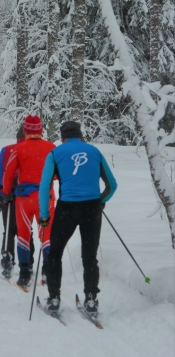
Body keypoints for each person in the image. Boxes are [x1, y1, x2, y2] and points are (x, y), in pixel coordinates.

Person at [38, 121, 117, 316]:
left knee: (55, 253)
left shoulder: (55, 153)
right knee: (89, 256)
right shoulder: (95, 152)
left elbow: (44, 186)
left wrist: (44, 216)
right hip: (92, 207)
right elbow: (112, 185)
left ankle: (54, 298)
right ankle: (91, 300)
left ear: (63, 137)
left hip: (68, 208)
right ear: (81, 136)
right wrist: (101, 200)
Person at [2, 115, 55, 289]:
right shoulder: (51, 148)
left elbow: (8, 174)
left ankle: (24, 274)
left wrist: (6, 193)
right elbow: (57, 173)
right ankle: (48, 272)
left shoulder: (18, 149)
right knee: (46, 236)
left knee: (24, 234)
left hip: (24, 199)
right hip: (45, 197)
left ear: (25, 130)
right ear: (41, 130)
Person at [0, 124, 35, 280]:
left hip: (9, 195)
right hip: (28, 196)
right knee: (26, 230)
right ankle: (29, 262)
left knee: (9, 230)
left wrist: (4, 192)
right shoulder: (34, 151)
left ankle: (7, 260)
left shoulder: (7, 150)